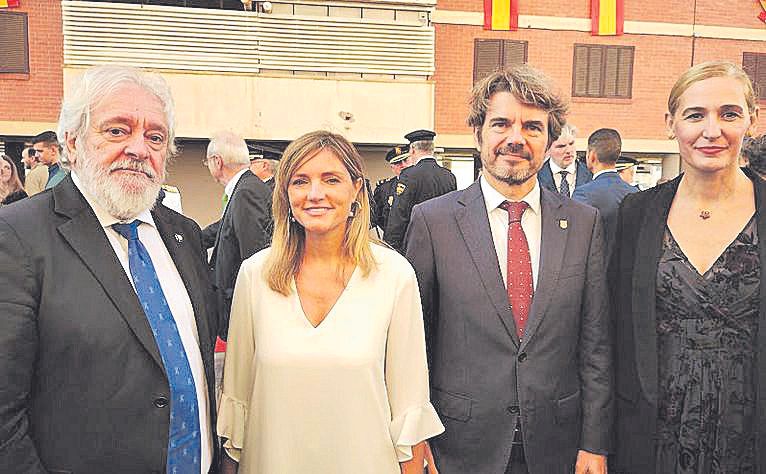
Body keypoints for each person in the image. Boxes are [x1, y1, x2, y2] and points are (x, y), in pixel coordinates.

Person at [0, 65, 219, 473]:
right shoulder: (17, 237)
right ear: (72, 142)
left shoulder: (183, 236)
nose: (139, 149)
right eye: (117, 131)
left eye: (155, 137)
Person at [405, 64, 612, 474]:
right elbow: (415, 342)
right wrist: (416, 436)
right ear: (478, 132)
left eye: (533, 127)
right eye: (501, 123)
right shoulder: (433, 222)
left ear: (550, 141)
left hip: (558, 445)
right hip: (458, 445)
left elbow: (596, 343)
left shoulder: (584, 223)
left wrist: (595, 443)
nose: (516, 138)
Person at [217, 130, 444, 474]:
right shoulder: (255, 276)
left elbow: (409, 409)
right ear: (285, 194)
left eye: (331, 179)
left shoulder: (394, 276)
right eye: (300, 181)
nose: (315, 194)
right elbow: (237, 408)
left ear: (356, 190)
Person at [612, 61, 764, 473]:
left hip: (750, 435)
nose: (711, 131)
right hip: (653, 434)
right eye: (695, 115)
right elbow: (613, 332)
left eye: (729, 114)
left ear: (751, 120)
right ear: (670, 123)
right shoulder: (635, 214)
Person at [204, 131, 273, 338]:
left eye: (207, 162)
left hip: (241, 309)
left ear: (217, 162)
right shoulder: (245, 188)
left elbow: (254, 256)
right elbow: (224, 227)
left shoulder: (246, 192)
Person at [384, 129, 457, 251]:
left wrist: (390, 246)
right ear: (432, 149)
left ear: (412, 150)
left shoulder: (409, 175)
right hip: (443, 244)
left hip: (417, 244)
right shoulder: (449, 176)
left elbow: (400, 213)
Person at [572, 128, 638, 259]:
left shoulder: (583, 194)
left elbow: (574, 240)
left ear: (591, 156)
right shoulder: (635, 194)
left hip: (595, 271)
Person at [537, 123, 592, 196]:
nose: (568, 151)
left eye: (571, 144)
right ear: (547, 148)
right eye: (561, 146)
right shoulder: (536, 176)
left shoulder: (590, 174)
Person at [372, 144, 411, 231]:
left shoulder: (420, 183)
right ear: (392, 167)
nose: (403, 165)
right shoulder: (384, 189)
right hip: (393, 240)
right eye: (398, 163)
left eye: (405, 160)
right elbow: (377, 216)